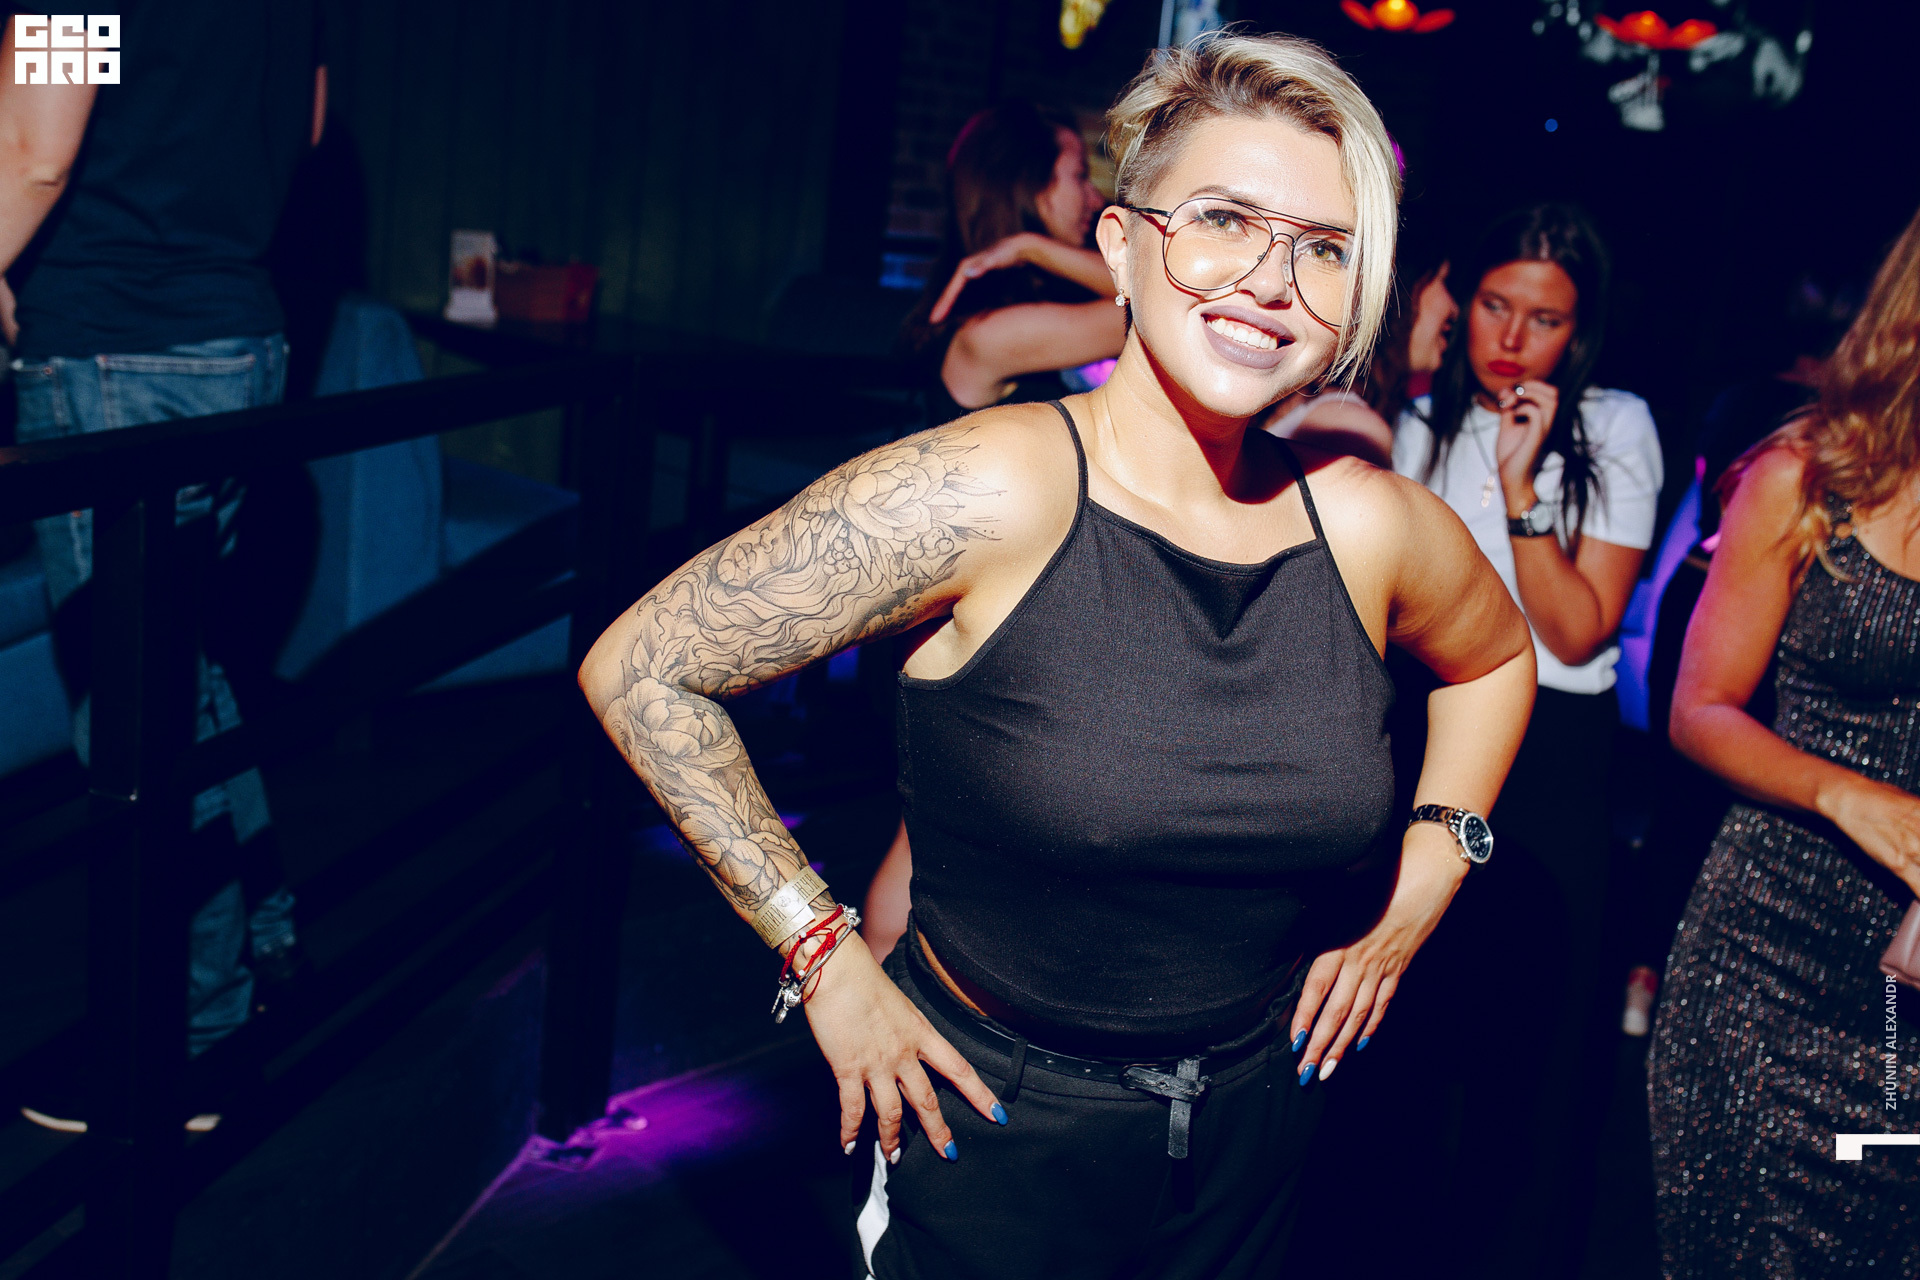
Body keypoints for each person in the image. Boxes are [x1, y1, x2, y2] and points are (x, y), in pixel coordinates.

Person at [582, 30, 1535, 1278]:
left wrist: (1423, 888)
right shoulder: (992, 487)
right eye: (1224, 220)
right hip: (988, 1123)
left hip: (1258, 1120)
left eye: (1324, 248)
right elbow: (642, 665)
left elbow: (1494, 661)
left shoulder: (1371, 525)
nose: (1272, 281)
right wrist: (823, 958)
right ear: (1122, 245)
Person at [1, 5, 322, 1128]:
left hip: (114, 349)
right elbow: (306, 125)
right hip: (240, 336)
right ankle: (258, 955)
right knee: (189, 682)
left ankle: (187, 1042)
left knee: (136, 718)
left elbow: (36, 149)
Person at [1389, 202, 1663, 1277]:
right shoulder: (1417, 415)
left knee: (1528, 1051)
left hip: (1551, 747)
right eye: (1496, 305)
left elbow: (1579, 628)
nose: (1512, 338)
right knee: (1408, 1030)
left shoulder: (1615, 426)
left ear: (1578, 330)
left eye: (1544, 319)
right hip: (1423, 719)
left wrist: (1519, 485)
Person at [1652, 204, 1920, 1277]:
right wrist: (1851, 795)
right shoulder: (1808, 477)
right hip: (1771, 962)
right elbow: (1699, 708)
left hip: (1905, 1008)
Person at [867, 99, 1130, 962]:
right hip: (968, 616)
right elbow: (1151, 306)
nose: (1090, 195)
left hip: (991, 602)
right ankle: (874, 1007)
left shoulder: (1001, 311)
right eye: (1073, 175)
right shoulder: (995, 328)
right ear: (1025, 185)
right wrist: (1031, 251)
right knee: (927, 844)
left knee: (946, 838)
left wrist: (1028, 252)